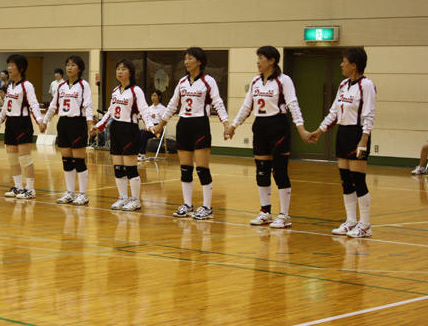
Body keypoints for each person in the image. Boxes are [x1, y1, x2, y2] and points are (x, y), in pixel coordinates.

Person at [225, 46, 310, 229]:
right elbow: (247, 106)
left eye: (261, 58)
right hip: (260, 126)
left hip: (278, 125)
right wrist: (234, 125)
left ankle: (284, 215)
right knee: (261, 171)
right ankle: (265, 211)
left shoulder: (284, 80)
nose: (258, 62)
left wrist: (301, 128)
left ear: (271, 61)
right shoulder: (255, 81)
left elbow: (293, 104)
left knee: (279, 171)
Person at [152, 47, 229, 220]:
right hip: (184, 124)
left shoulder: (208, 81)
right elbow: (173, 104)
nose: (186, 62)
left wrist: (226, 124)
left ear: (199, 62)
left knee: (202, 169)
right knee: (185, 169)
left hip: (200, 124)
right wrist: (161, 125)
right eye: (185, 59)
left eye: (190, 58)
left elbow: (218, 103)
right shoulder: (182, 82)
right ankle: (187, 205)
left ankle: (207, 207)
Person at [309, 47, 376, 238]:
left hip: (358, 134)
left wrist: (364, 139)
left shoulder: (367, 85)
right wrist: (319, 131)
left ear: (354, 65)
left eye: (344, 62)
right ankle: (351, 221)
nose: (341, 65)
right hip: (343, 133)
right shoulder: (343, 85)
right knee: (346, 180)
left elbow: (369, 114)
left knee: (358, 180)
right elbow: (334, 112)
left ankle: (365, 225)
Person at [93, 60, 155, 211]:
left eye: (123, 69)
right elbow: (110, 111)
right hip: (116, 129)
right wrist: (99, 125)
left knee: (130, 168)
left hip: (129, 130)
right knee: (118, 167)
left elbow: (144, 110)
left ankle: (135, 200)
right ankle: (123, 197)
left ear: (131, 73)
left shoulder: (136, 90)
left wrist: (150, 125)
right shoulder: (115, 90)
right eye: (118, 69)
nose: (120, 72)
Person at [40, 55, 95, 206]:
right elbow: (53, 105)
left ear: (80, 68)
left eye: (73, 65)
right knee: (66, 160)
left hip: (77, 123)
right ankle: (70, 192)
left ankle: (83, 194)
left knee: (79, 160)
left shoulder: (84, 85)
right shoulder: (61, 86)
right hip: (63, 122)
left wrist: (90, 124)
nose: (69, 68)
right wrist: (45, 121)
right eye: (68, 65)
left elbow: (88, 105)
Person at [0, 54, 43, 199]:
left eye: (12, 65)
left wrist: (40, 120)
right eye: (8, 65)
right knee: (12, 158)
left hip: (22, 123)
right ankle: (18, 187)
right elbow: (6, 106)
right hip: (10, 123)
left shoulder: (27, 85)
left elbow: (34, 104)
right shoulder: (10, 85)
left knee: (25, 158)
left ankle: (30, 189)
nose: (9, 68)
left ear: (20, 68)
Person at [138, 89, 165, 161]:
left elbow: (164, 121)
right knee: (140, 132)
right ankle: (138, 152)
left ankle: (142, 154)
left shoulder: (163, 108)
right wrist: (146, 126)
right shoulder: (149, 108)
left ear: (159, 97)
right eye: (152, 95)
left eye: (155, 95)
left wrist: (157, 127)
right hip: (149, 126)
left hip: (158, 128)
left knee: (144, 134)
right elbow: (146, 119)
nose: (153, 97)